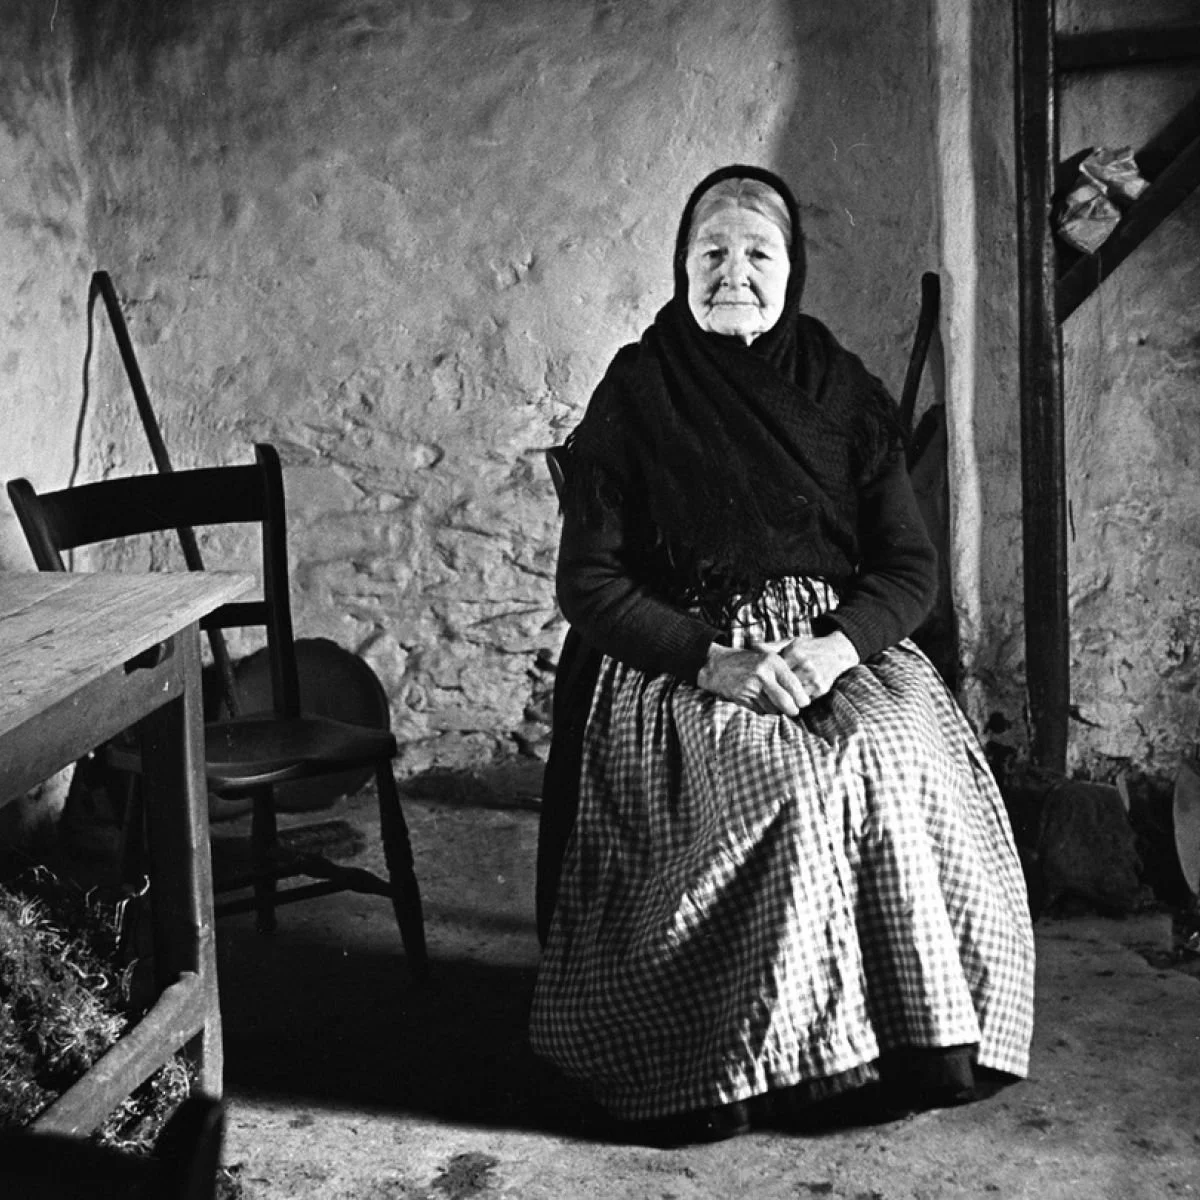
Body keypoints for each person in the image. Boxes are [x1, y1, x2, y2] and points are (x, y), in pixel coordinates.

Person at [529, 164, 1035, 1146]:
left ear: (792, 268)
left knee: (894, 759)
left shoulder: (845, 391)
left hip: (829, 643)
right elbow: (590, 584)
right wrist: (714, 661)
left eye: (757, 252)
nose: (734, 272)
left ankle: (906, 1043)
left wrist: (838, 649)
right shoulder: (637, 392)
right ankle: (766, 1062)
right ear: (680, 265)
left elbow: (906, 570)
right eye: (710, 252)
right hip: (683, 651)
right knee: (785, 785)